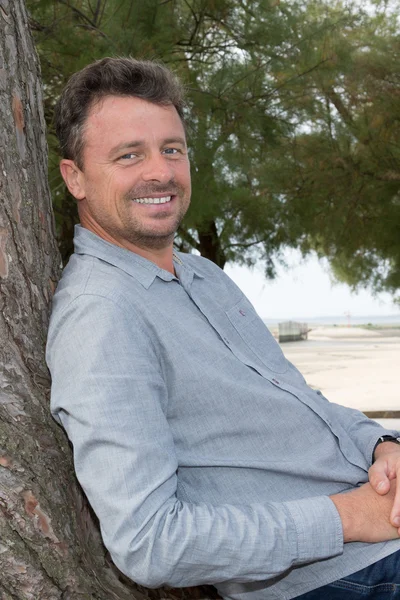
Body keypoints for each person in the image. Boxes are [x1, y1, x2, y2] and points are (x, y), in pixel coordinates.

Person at [46, 57, 400, 600]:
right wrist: (348, 518)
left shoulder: (202, 275)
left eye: (172, 149)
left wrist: (382, 445)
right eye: (128, 155)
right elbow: (149, 541)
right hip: (347, 576)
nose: (159, 172)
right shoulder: (101, 316)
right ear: (76, 178)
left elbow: (298, 400)